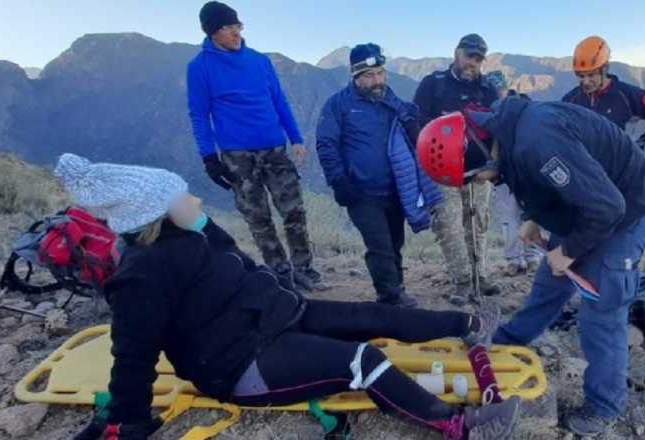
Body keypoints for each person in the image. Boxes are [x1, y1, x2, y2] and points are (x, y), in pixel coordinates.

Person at [55, 154, 521, 440]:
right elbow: (133, 356)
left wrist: (205, 227)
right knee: (360, 359)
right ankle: (459, 426)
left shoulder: (193, 233)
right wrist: (126, 424)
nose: (194, 201)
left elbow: (235, 259)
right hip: (241, 365)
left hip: (274, 316)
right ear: (156, 212)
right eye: (182, 197)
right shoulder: (141, 276)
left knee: (373, 314)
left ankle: (468, 326)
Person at [416, 96, 645, 436]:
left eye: (474, 177)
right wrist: (534, 219)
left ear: (476, 151)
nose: (481, 182)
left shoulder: (539, 142)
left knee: (601, 307)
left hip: (627, 208)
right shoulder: (506, 133)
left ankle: (604, 407)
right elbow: (536, 179)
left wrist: (570, 250)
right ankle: (510, 341)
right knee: (551, 281)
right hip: (588, 205)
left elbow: (608, 208)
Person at [186, 1, 323, 290]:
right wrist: (209, 158)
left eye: (238, 25)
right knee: (258, 217)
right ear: (213, 32)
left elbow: (279, 101)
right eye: (229, 27)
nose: (236, 32)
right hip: (237, 156)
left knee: (294, 211)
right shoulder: (199, 68)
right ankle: (280, 273)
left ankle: (304, 269)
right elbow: (199, 115)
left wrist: (296, 138)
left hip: (274, 148)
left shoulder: (260, 61)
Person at [315, 43, 443, 307]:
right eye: (370, 75)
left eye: (381, 73)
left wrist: (413, 124)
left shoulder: (392, 100)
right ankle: (390, 297)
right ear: (356, 76)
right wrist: (339, 181)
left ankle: (397, 286)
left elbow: (415, 131)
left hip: (395, 189)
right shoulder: (338, 104)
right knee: (379, 245)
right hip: (360, 191)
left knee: (395, 242)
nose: (377, 80)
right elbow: (326, 144)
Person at [413, 33, 502, 305]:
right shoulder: (433, 85)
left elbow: (499, 128)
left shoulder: (488, 89)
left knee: (478, 223)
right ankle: (462, 282)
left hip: (479, 170)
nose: (472, 63)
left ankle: (481, 276)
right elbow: (417, 125)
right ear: (456, 53)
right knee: (449, 225)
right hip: (443, 171)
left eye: (478, 58)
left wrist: (494, 165)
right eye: (468, 56)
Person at [562, 35, 645, 151]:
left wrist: (640, 147)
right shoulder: (570, 99)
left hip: (619, 168)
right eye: (581, 76)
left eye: (591, 75)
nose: (586, 82)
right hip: (582, 167)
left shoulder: (627, 95)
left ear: (605, 68)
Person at [485, 72, 544, 275]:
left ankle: (533, 256)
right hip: (503, 172)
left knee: (531, 213)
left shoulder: (523, 106)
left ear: (506, 89)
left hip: (526, 170)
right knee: (509, 215)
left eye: (499, 91)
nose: (496, 96)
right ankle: (514, 259)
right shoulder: (489, 111)